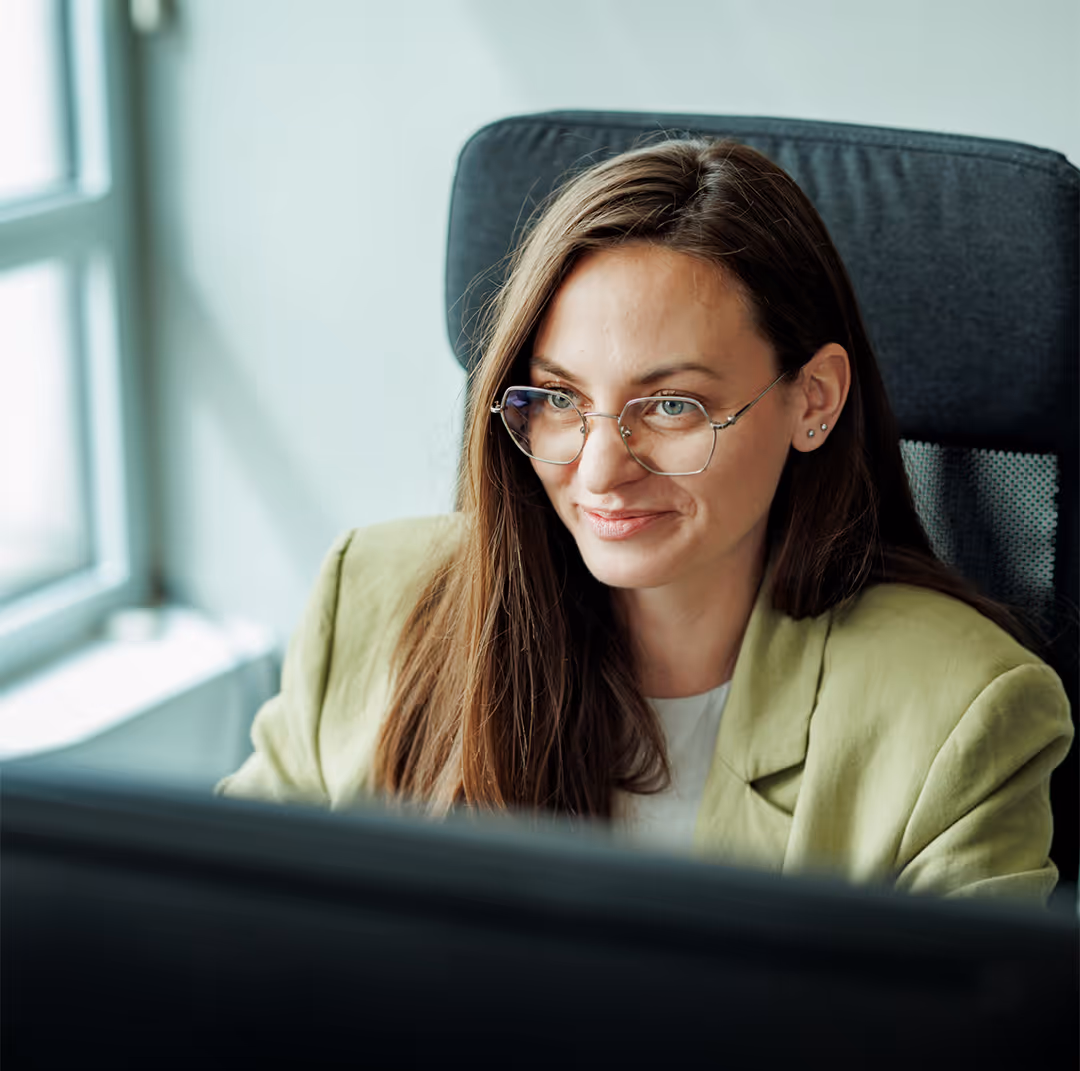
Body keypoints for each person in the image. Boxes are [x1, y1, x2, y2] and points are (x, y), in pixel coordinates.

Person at [218, 138, 1073, 903]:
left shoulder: (961, 714)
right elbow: (225, 946)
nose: (599, 471)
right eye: (559, 399)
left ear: (813, 401)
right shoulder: (368, 601)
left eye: (669, 405)